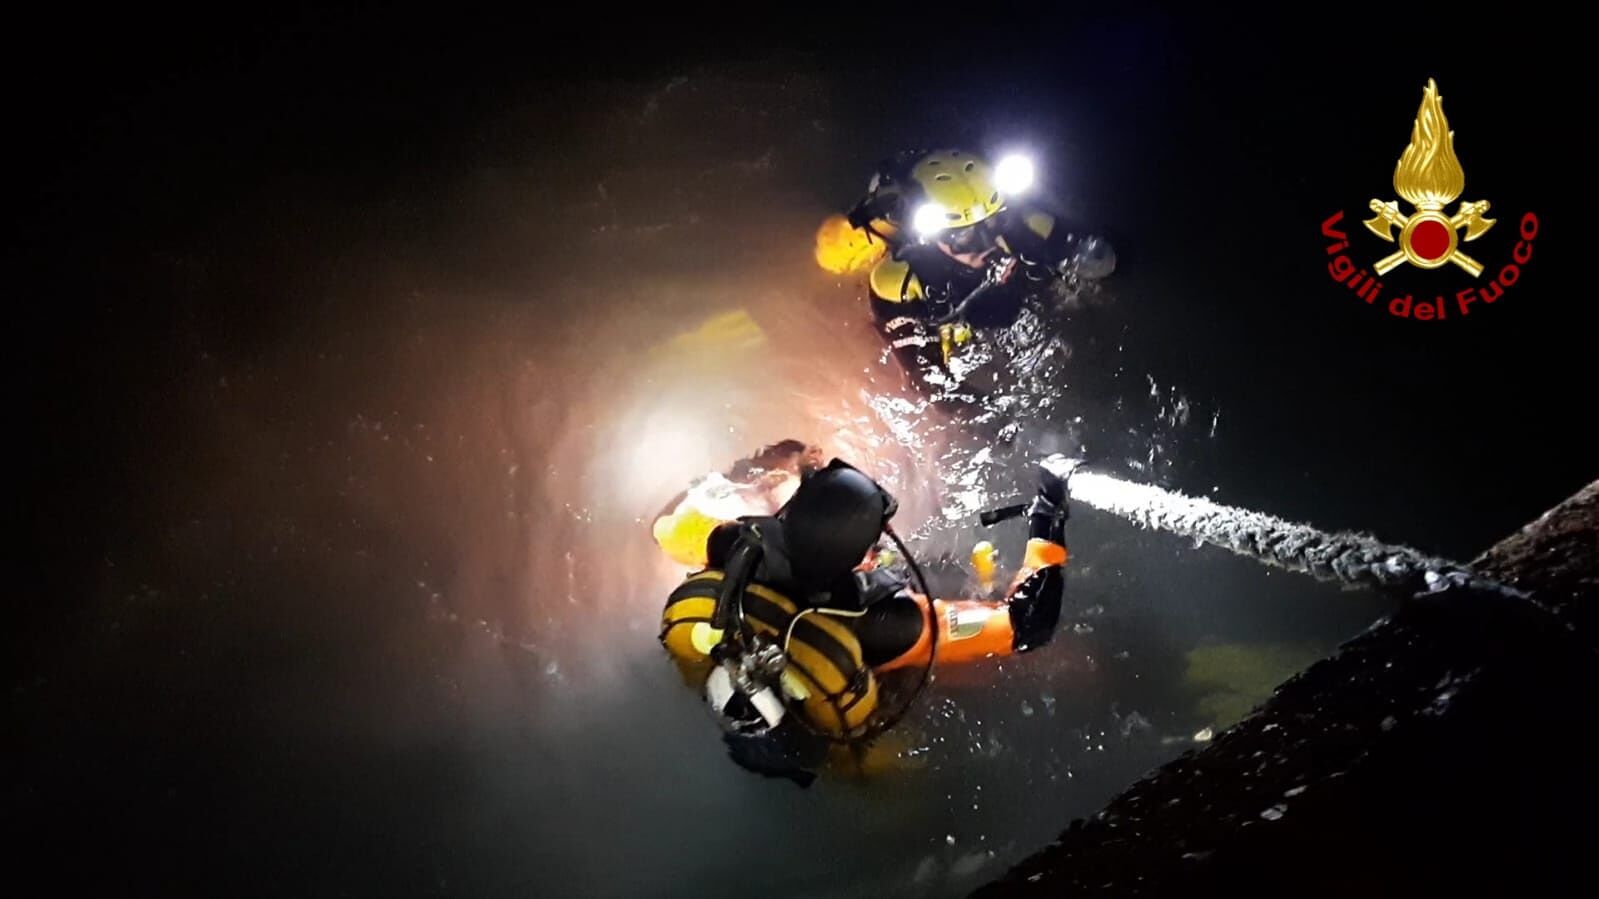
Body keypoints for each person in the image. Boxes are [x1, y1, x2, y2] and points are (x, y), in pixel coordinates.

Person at [659, 454, 1079, 785]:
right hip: (844, 691)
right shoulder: (895, 625)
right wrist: (1047, 516)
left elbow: (668, 530)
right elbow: (1029, 625)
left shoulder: (740, 545)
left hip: (757, 660)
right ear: (862, 556)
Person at [840, 148, 1115, 376]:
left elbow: (1101, 262)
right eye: (964, 236)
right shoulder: (901, 281)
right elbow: (925, 378)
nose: (986, 243)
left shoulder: (1026, 229)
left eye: (994, 223)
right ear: (930, 235)